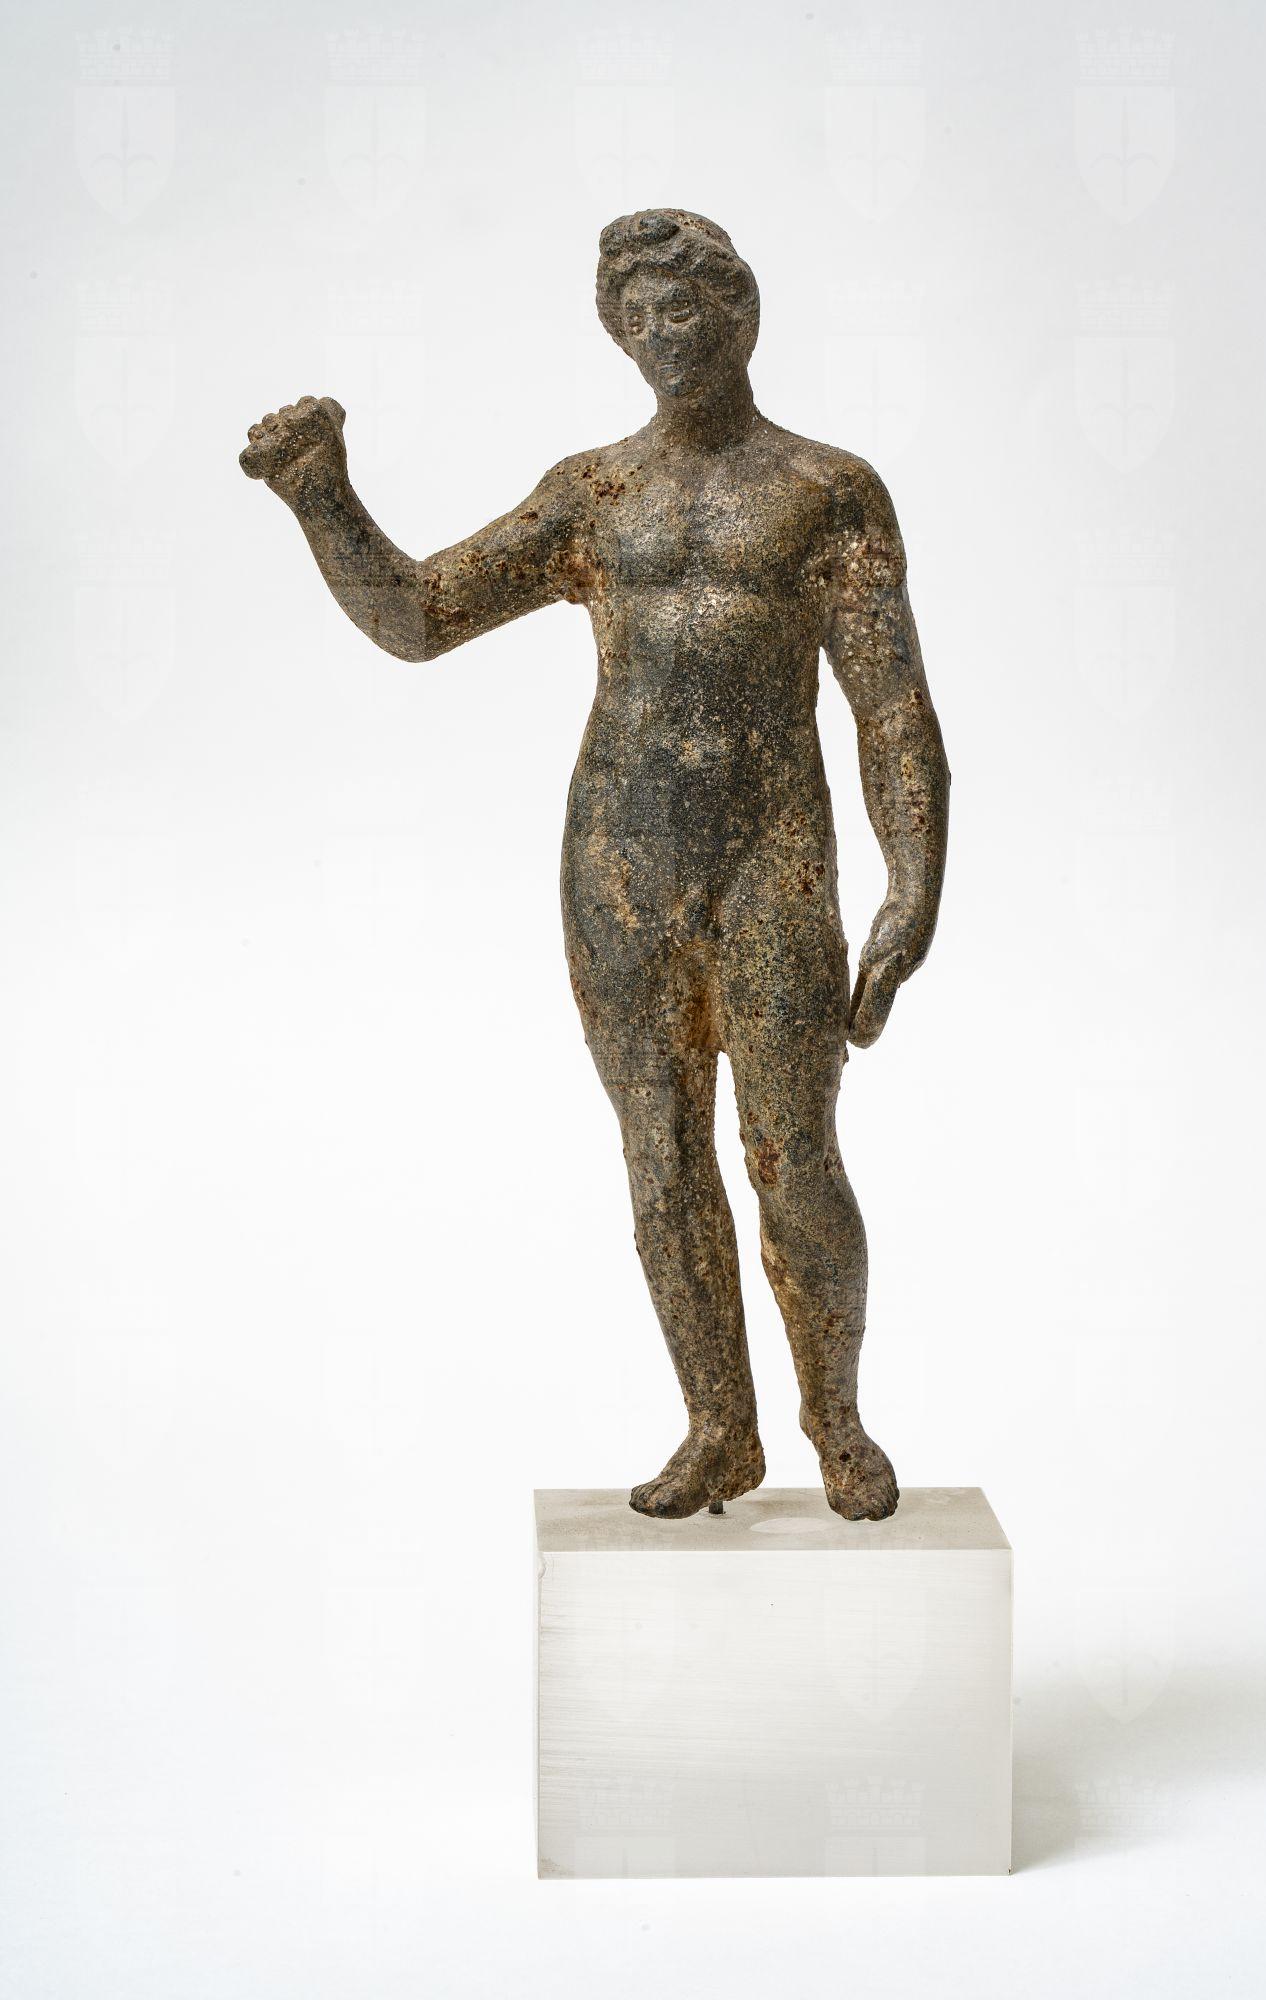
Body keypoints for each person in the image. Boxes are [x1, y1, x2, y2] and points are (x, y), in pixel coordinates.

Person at [239, 209, 949, 1520]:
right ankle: (718, 1428)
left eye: (684, 307)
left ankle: (835, 1419)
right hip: (619, 860)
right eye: (637, 316)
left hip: (772, 857)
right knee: (660, 1155)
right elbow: (420, 616)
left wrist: (912, 881)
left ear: (742, 311)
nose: (662, 335)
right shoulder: (590, 494)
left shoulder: (824, 491)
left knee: (795, 1155)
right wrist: (321, 494)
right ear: (614, 335)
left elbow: (891, 707)